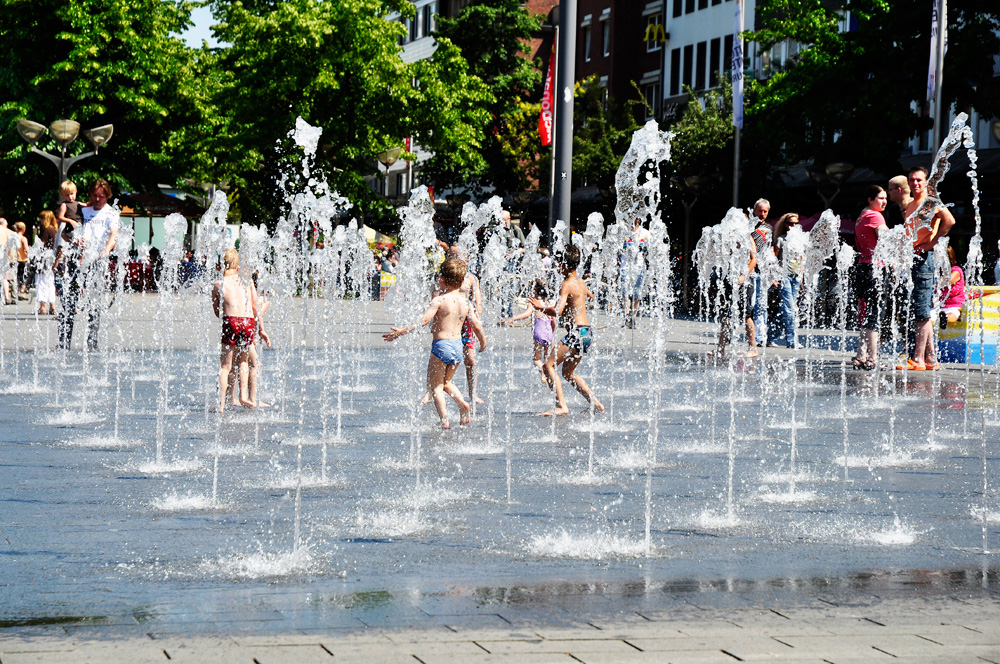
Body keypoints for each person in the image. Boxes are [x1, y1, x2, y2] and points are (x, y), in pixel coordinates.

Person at [383, 257, 487, 429]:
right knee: (447, 382)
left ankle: (444, 419)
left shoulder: (439, 300)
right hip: (457, 347)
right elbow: (476, 325)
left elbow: (424, 321)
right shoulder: (466, 303)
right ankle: (462, 403)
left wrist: (402, 331)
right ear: (462, 281)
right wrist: (482, 342)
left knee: (436, 386)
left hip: (441, 346)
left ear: (442, 280)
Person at [527, 245, 604, 416]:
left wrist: (541, 307)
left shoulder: (566, 284)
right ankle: (596, 403)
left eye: (559, 264)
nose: (557, 267)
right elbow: (590, 296)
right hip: (586, 333)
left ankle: (561, 405)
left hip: (576, 333)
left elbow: (558, 311)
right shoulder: (581, 282)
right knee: (568, 373)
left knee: (548, 365)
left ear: (564, 265)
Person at [900, 166, 956, 371]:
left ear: (926, 182)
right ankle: (931, 359)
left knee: (921, 311)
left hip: (925, 259)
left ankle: (919, 359)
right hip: (913, 258)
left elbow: (950, 220)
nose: (915, 183)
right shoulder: (910, 204)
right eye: (912, 180)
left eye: (919, 180)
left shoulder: (931, 201)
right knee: (920, 308)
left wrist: (931, 244)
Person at [58, 179, 119, 351]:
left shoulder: (111, 213)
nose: (98, 199)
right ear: (90, 195)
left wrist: (106, 250)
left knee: (94, 303)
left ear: (107, 195)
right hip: (77, 260)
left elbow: (113, 235)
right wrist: (75, 241)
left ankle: (92, 343)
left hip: (97, 261)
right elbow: (64, 234)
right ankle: (64, 343)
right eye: (95, 196)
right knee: (69, 302)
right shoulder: (82, 209)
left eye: (101, 196)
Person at [212, 248, 266, 412]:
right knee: (244, 360)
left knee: (225, 366)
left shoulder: (218, 284)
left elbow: (217, 312)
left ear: (219, 266)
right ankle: (244, 396)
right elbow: (255, 307)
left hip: (231, 322)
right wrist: (262, 329)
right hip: (248, 322)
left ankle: (221, 405)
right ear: (237, 266)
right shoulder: (247, 281)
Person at [851, 186, 890, 370]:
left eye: (885, 198)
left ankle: (860, 354)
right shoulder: (875, 216)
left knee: (868, 313)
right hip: (876, 267)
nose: (884, 202)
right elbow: (885, 238)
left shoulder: (860, 217)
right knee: (876, 313)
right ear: (870, 199)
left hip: (862, 267)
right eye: (880, 198)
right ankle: (873, 357)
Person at [711, 238, 758, 359]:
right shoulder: (729, 235)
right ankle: (720, 349)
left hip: (745, 280)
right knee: (726, 314)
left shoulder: (748, 237)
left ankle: (753, 348)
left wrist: (743, 275)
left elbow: (754, 259)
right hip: (731, 278)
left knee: (745, 314)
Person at [503, 279, 556, 386]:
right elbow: (554, 321)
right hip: (549, 334)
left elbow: (526, 314)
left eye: (532, 290)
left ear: (535, 292)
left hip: (539, 333)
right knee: (547, 359)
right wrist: (552, 333)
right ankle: (548, 378)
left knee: (536, 359)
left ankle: (542, 372)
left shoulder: (534, 303)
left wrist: (511, 319)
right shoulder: (548, 304)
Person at [770, 212, 803, 349]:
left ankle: (769, 336)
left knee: (788, 310)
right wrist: (773, 276)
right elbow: (774, 259)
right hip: (784, 277)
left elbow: (801, 260)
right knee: (789, 309)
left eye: (795, 223)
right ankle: (791, 341)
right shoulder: (781, 240)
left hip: (796, 277)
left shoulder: (799, 240)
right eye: (790, 223)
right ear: (785, 224)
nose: (793, 226)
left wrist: (802, 279)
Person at [749, 199, 771, 346]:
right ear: (754, 211)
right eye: (760, 211)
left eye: (765, 211)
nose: (762, 214)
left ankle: (761, 337)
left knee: (761, 305)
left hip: (763, 273)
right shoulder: (748, 227)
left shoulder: (768, 229)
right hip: (750, 270)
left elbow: (770, 252)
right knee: (748, 306)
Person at [621, 218, 650, 328]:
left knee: (637, 294)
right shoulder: (623, 232)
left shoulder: (646, 233)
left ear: (639, 219)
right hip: (625, 267)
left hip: (639, 267)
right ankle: (626, 316)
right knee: (625, 293)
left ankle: (632, 318)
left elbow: (650, 251)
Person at [35, 211, 59, 315]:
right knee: (50, 282)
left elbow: (41, 244)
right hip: (51, 257)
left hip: (44, 258)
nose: (40, 220)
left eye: (42, 217)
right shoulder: (55, 229)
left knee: (41, 282)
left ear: (47, 218)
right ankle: (53, 306)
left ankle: (42, 306)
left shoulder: (45, 229)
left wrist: (35, 235)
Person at [940, 246, 966, 327]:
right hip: (940, 307)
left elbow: (947, 281)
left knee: (953, 314)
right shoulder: (938, 273)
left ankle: (946, 319)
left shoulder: (956, 270)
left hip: (955, 306)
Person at [13, 222, 29, 298]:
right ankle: (22, 290)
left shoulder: (13, 237)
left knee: (16, 276)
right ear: (23, 229)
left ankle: (16, 290)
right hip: (23, 259)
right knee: (23, 275)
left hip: (15, 259)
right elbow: (26, 249)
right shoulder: (23, 238)